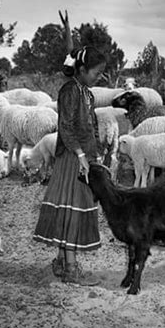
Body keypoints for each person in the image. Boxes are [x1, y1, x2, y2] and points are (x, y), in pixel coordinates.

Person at [33, 46, 106, 285]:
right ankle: (71, 269)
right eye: (96, 72)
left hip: (84, 156)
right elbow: (66, 126)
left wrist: (96, 153)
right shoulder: (69, 91)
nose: (99, 77)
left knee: (70, 207)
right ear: (82, 70)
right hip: (72, 158)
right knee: (72, 205)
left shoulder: (88, 94)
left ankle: (63, 262)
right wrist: (81, 155)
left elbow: (91, 126)